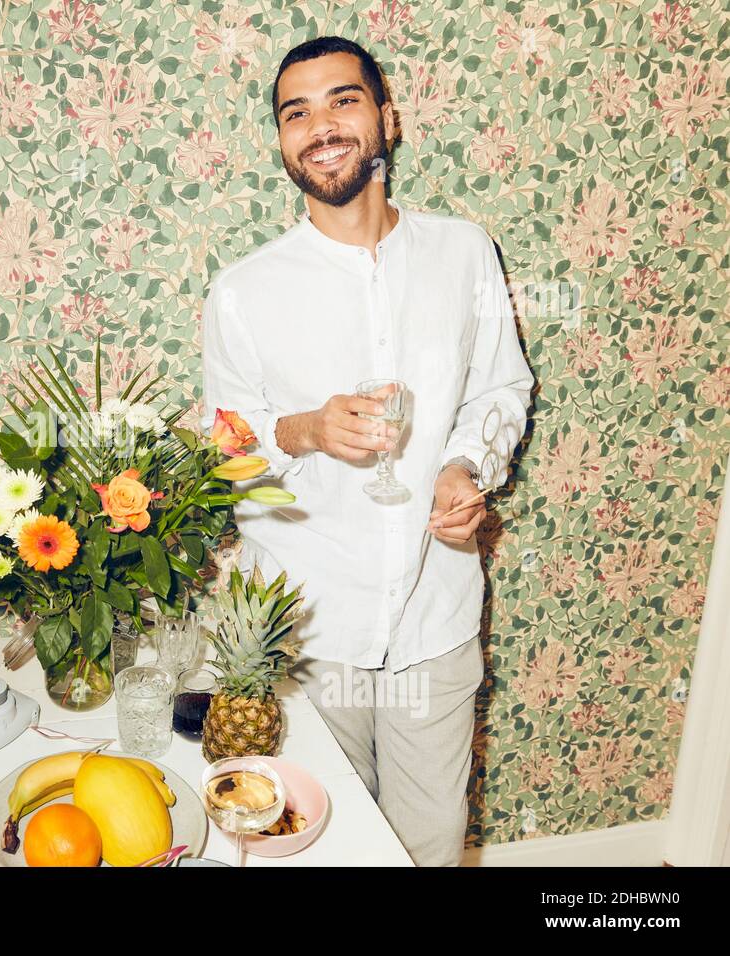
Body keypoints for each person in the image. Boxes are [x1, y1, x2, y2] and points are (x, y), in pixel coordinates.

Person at [199, 36, 534, 866]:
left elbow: (502, 389)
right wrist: (304, 431)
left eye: (343, 101)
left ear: (387, 117)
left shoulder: (465, 251)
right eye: (295, 112)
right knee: (316, 847)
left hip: (436, 617)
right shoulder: (244, 290)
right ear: (281, 140)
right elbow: (223, 455)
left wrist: (466, 467)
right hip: (305, 635)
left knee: (427, 845)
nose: (320, 126)